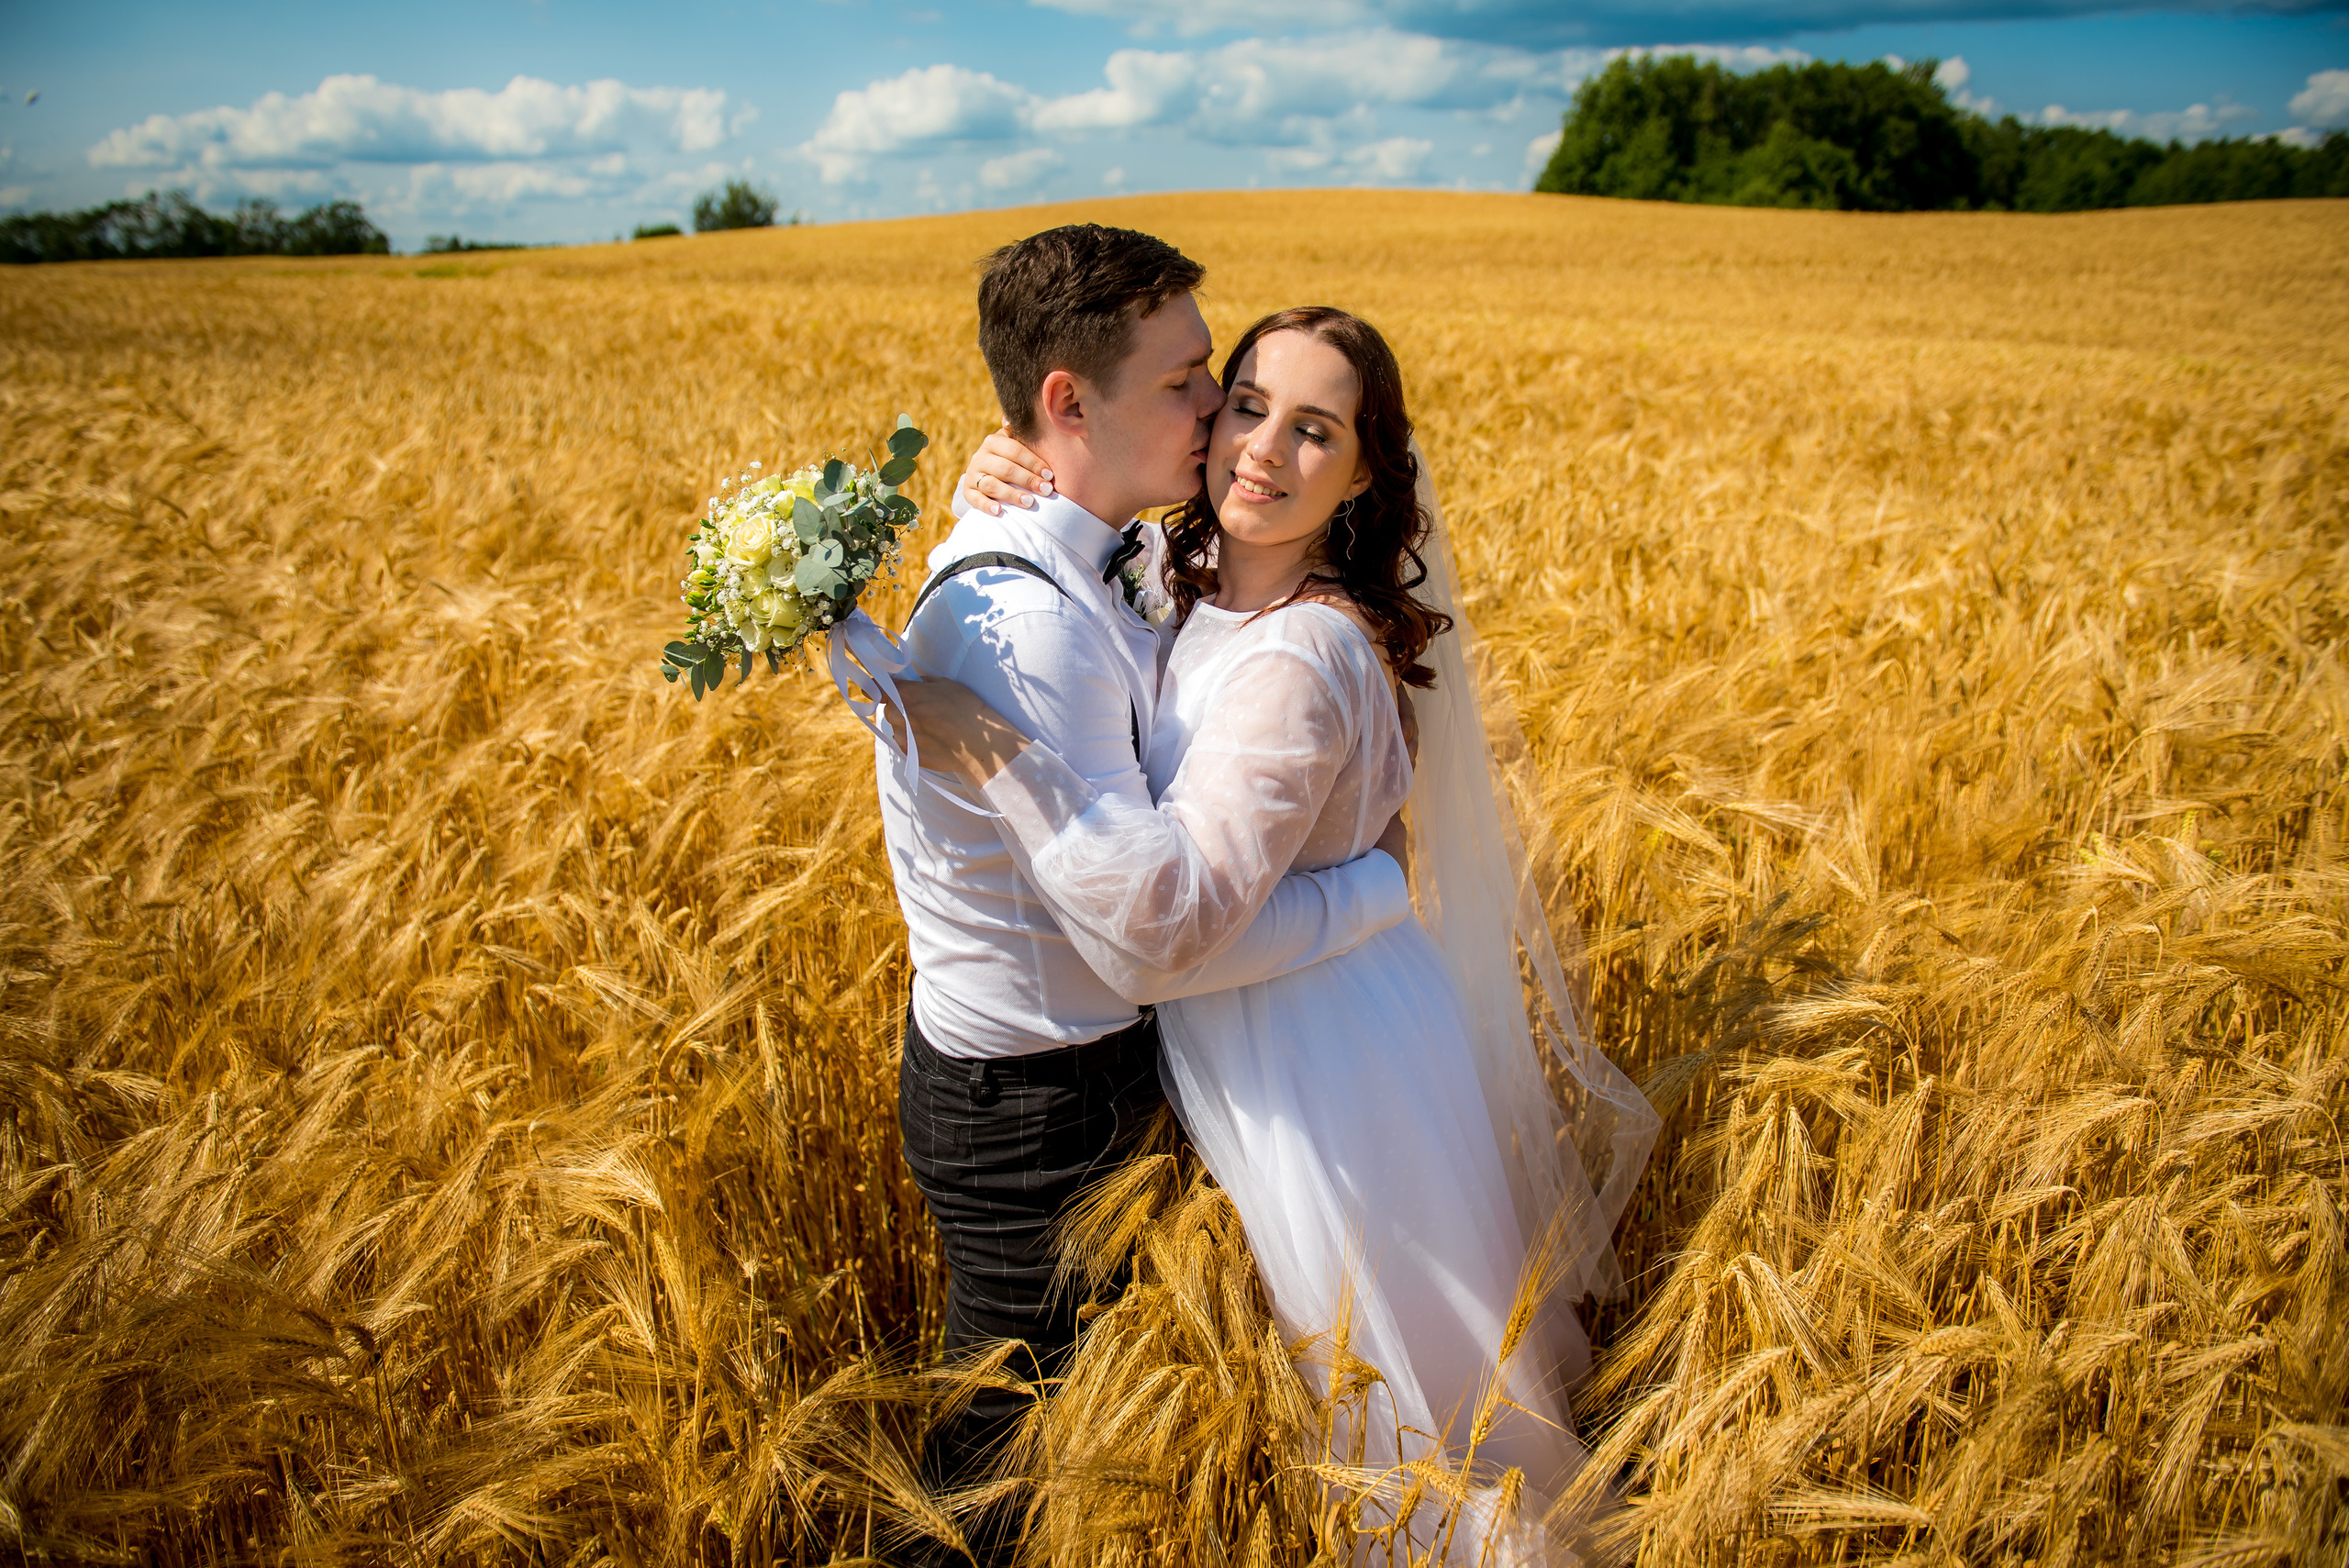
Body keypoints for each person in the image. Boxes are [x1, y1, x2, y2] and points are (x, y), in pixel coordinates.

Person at [893, 306, 1660, 1562]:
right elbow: (1086, 548)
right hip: (1241, 1027)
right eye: (1245, 404)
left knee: (1381, 1433)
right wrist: (1006, 465)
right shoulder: (1175, 571)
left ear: (1362, 476)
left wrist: (994, 750)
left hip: (1313, 1062)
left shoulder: (1303, 653)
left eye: (1315, 430)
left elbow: (1177, 935)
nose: (1262, 447)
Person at [873, 228, 1418, 1568]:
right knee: (991, 1482)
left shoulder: (1127, 559)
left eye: (1222, 384)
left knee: (1063, 1447)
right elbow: (1158, 936)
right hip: (1036, 1099)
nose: (1220, 419)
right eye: (1195, 386)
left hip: (1134, 1062)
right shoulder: (1028, 621)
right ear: (1070, 402)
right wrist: (1375, 888)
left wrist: (1016, 477)